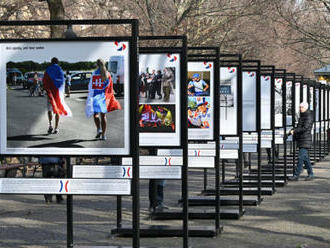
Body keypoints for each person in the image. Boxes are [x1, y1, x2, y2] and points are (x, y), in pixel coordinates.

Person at [85, 59, 121, 140]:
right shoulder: (107, 74)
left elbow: (90, 86)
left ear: (96, 65)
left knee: (95, 114)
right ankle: (104, 135)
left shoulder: (94, 73)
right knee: (103, 116)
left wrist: (90, 96)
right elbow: (110, 87)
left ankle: (98, 129)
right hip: (104, 97)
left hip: (95, 96)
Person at [43, 57, 72, 135]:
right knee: (57, 109)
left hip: (50, 94)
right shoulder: (60, 69)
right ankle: (56, 128)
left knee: (50, 110)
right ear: (57, 62)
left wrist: (46, 89)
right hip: (57, 93)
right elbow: (63, 81)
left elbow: (44, 80)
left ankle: (50, 125)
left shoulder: (48, 69)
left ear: (51, 62)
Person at [288, 102, 314, 181]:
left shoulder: (308, 116)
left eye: (301, 107)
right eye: (299, 107)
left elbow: (305, 128)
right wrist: (293, 130)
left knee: (300, 158)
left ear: (306, 108)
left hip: (305, 140)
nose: (300, 109)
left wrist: (295, 131)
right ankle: (311, 174)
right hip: (302, 139)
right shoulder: (303, 116)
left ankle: (296, 175)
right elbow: (300, 126)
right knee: (305, 158)